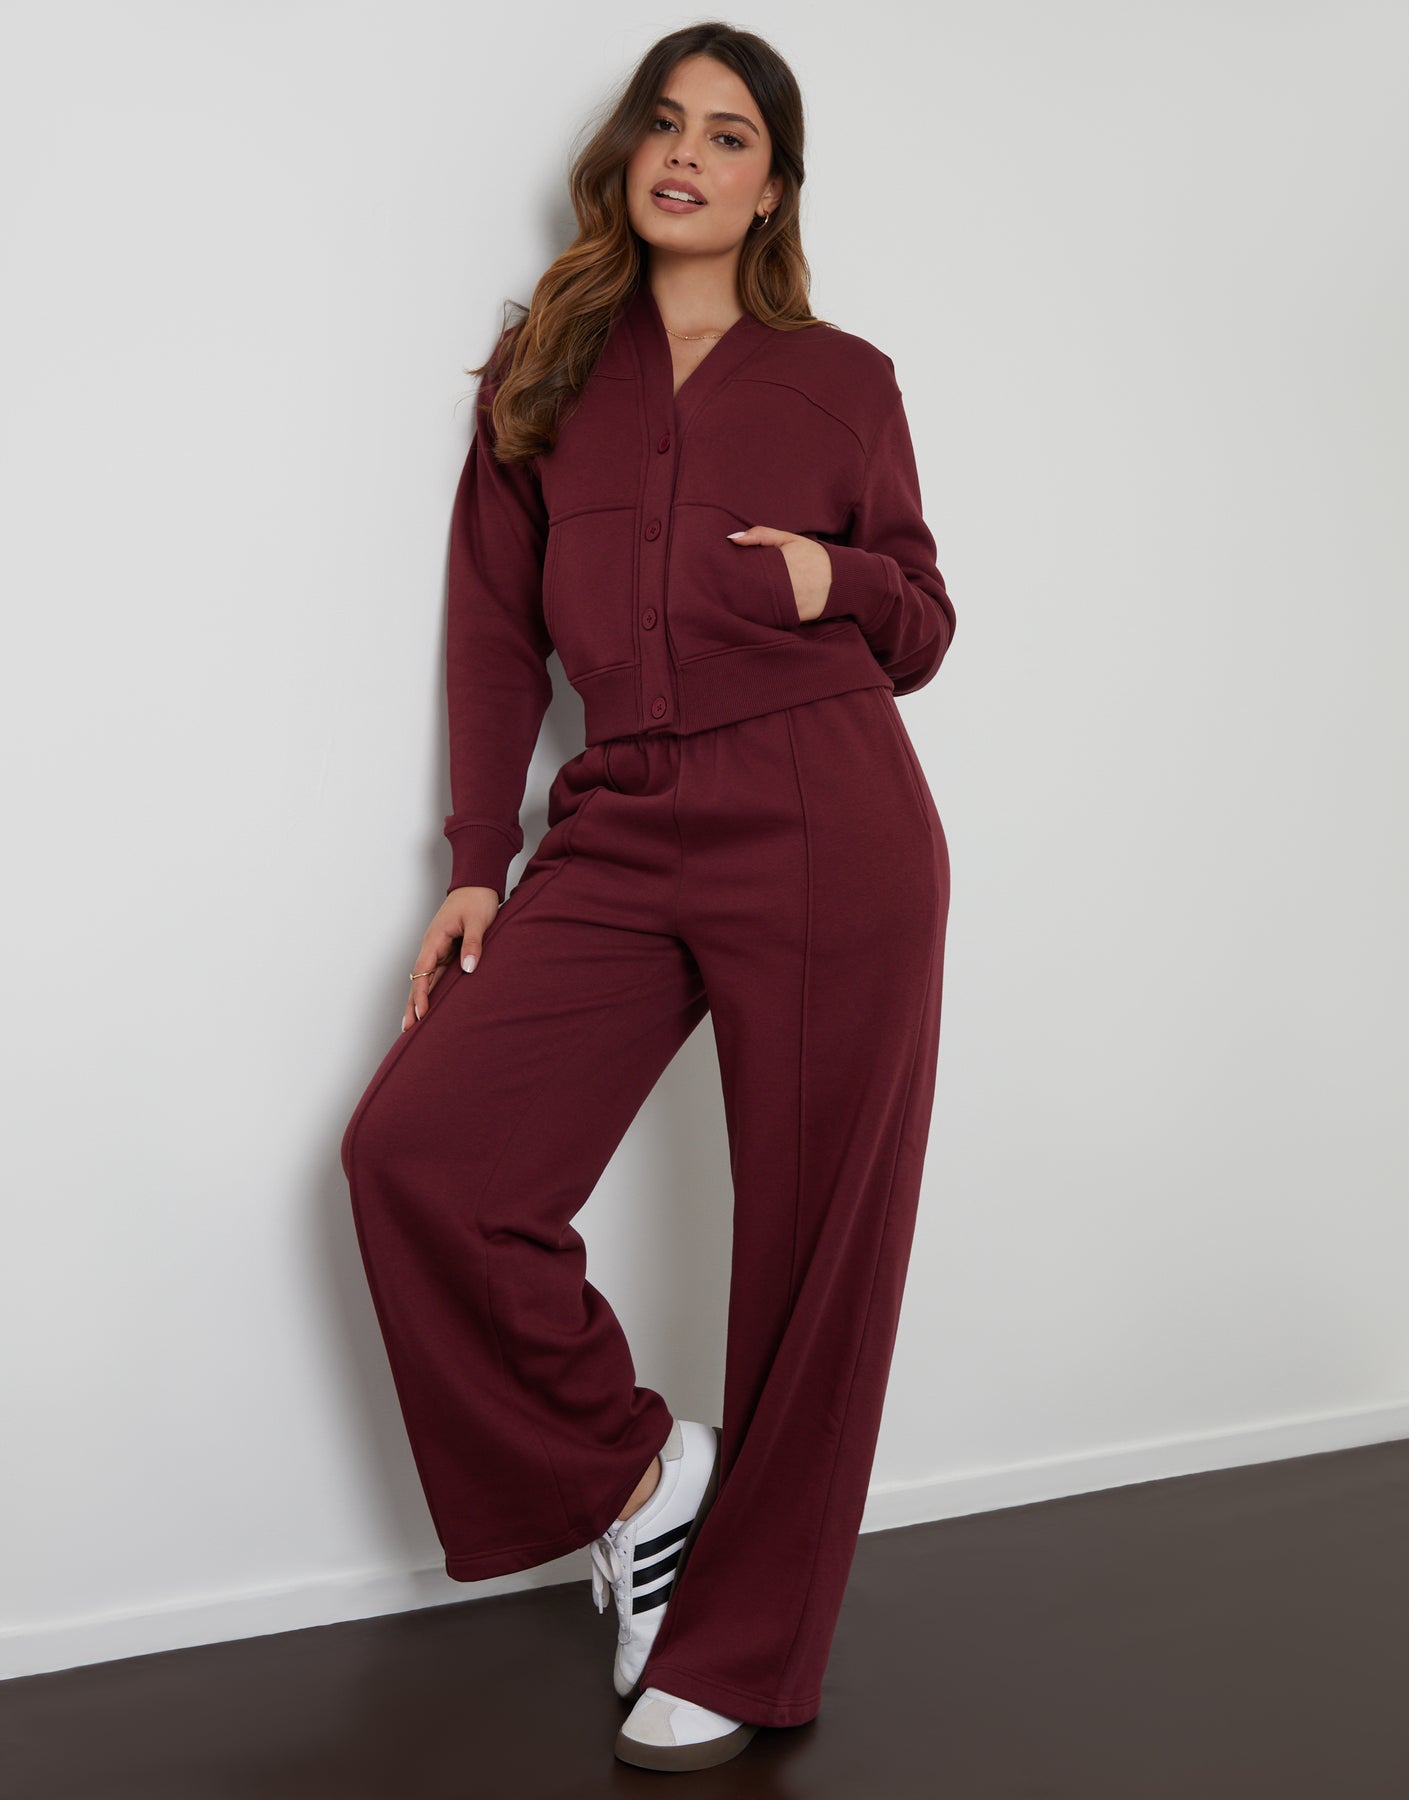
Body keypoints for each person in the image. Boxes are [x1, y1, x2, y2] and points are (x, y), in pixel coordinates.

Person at [339, 20, 956, 1774]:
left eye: (730, 134)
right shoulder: (540, 371)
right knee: (419, 1159)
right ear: (624, 156)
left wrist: (836, 576)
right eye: (664, 123)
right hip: (615, 820)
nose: (688, 152)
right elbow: (491, 633)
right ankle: (637, 1475)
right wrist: (477, 864)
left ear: (773, 188)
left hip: (828, 810)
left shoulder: (842, 377)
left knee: (814, 1252)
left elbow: (921, 619)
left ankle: (745, 1655)